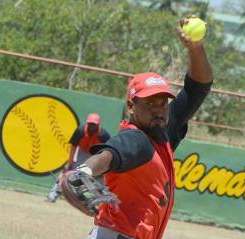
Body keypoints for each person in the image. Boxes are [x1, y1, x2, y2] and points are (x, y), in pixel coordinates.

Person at [67, 16, 213, 239]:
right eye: (149, 103)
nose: (158, 109)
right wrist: (85, 171)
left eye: (163, 102)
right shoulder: (135, 139)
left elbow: (198, 88)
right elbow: (111, 154)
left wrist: (196, 48)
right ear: (131, 107)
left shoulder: (164, 128)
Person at [46, 113, 110, 203]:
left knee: (100, 178)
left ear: (98, 125)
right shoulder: (80, 131)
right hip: (82, 152)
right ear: (87, 123)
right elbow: (73, 148)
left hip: (96, 154)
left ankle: (106, 201)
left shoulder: (103, 135)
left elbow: (106, 152)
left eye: (94, 124)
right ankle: (53, 195)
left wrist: (102, 168)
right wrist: (70, 164)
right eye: (90, 124)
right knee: (67, 173)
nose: (92, 126)